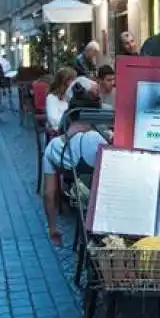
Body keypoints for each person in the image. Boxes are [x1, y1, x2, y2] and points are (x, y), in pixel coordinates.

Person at [42, 86, 108, 245]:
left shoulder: (53, 146)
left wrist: (52, 227)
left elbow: (49, 193)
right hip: (102, 206)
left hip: (77, 199)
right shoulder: (99, 141)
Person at [45, 67, 76, 133]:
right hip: (62, 132)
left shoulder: (71, 96)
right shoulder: (52, 98)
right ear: (65, 82)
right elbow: (54, 120)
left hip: (74, 129)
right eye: (72, 80)